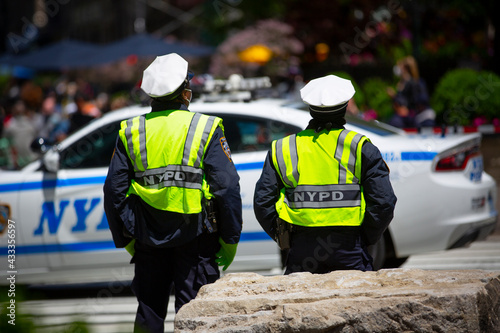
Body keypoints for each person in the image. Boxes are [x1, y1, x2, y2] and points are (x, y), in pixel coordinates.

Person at [103, 53, 242, 333]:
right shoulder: (206, 127)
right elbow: (226, 187)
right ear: (186, 93)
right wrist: (229, 240)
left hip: (147, 239)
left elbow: (113, 190)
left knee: (149, 314)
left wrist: (127, 237)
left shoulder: (131, 130)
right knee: (196, 318)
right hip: (197, 239)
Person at [254, 75, 397, 274]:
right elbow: (383, 202)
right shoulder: (361, 147)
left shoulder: (284, 147)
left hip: (301, 249)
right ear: (346, 105)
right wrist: (365, 238)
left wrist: (285, 238)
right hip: (350, 249)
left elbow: (263, 203)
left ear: (310, 108)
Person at [388, 56, 435, 128]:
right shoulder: (406, 82)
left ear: (405, 69)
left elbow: (413, 100)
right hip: (412, 115)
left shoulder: (411, 83)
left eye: (401, 67)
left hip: (415, 116)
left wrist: (395, 96)